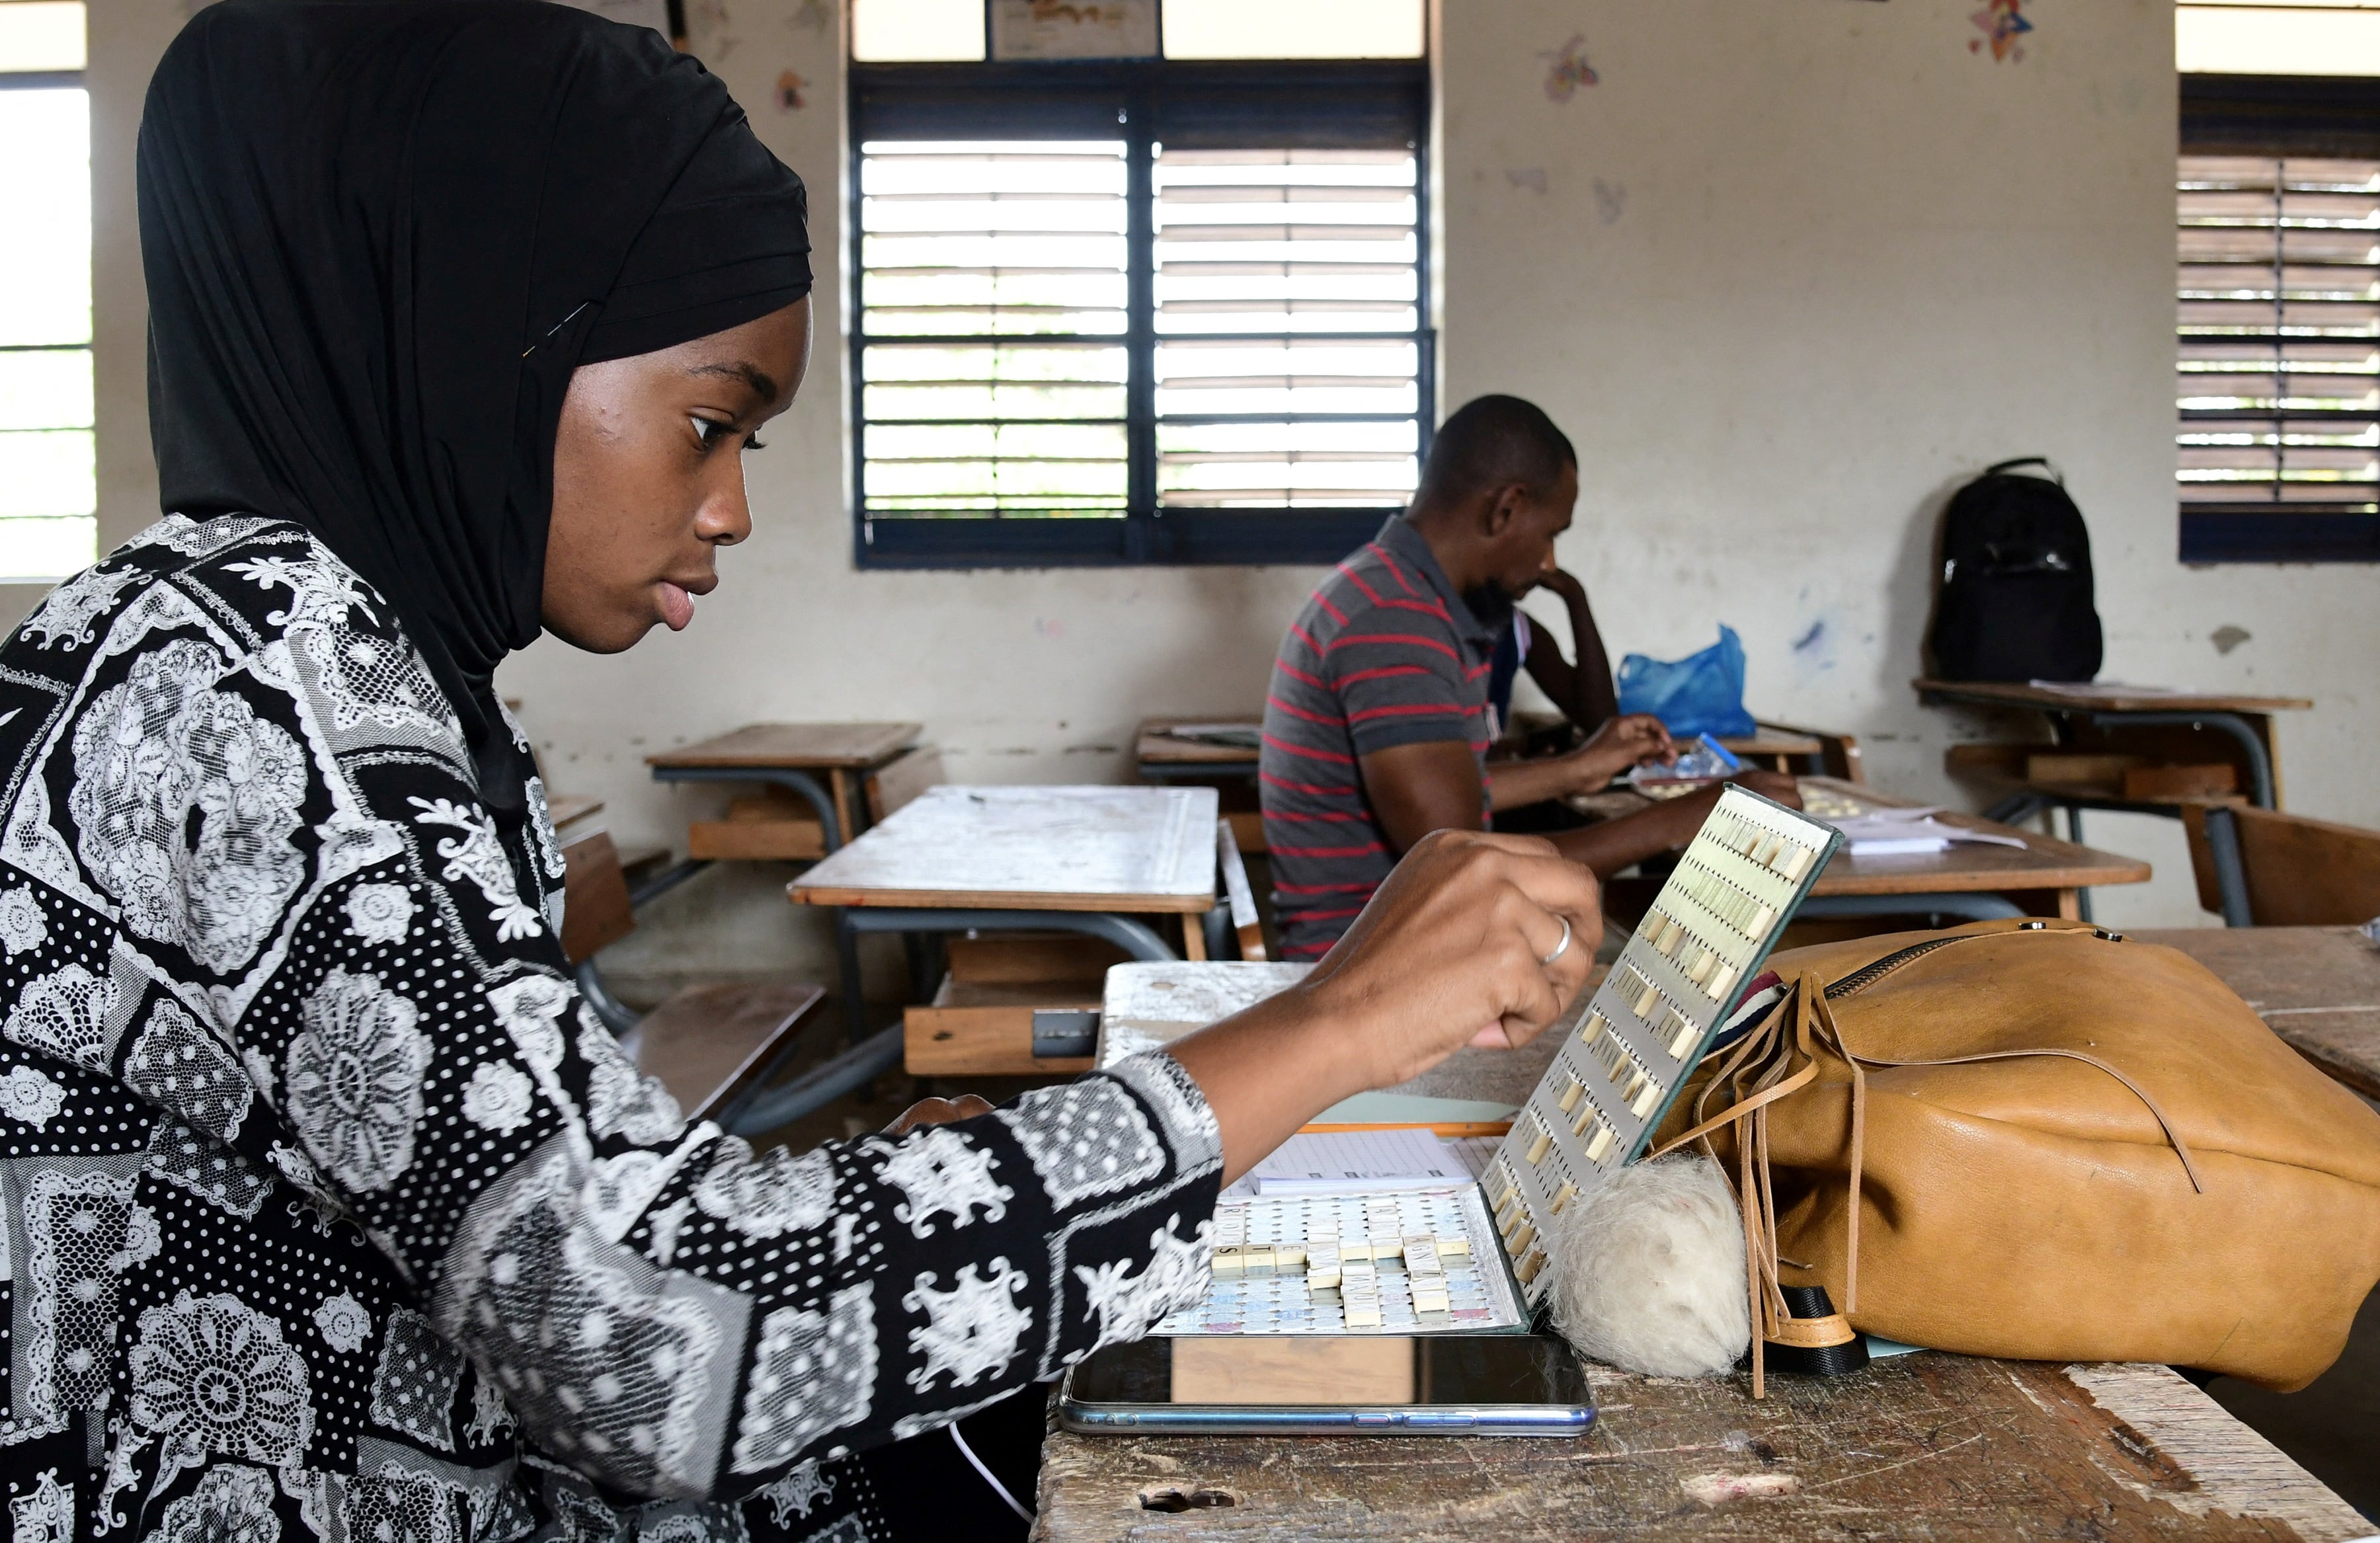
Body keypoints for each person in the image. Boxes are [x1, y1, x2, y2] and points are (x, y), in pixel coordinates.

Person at [0, 7, 1601, 1541]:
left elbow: (533, 1194)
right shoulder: (237, 693)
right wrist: (1336, 1020)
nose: (731, 509)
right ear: (481, 336)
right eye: (709, 421)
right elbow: (647, 1340)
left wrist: (918, 1186)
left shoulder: (311, 657)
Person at [1260, 395, 1799, 961]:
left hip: (1398, 953)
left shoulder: (1402, 597)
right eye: (1550, 533)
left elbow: (1452, 795)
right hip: (1368, 975)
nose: (1547, 562)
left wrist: (1575, 771)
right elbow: (1462, 864)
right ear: (1507, 509)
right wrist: (1695, 815)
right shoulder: (1393, 619)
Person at [1485, 559, 1618, 749]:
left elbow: (1601, 725)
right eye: (1547, 536)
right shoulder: (1436, 627)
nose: (1548, 564)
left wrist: (1575, 596)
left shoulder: (1513, 627)